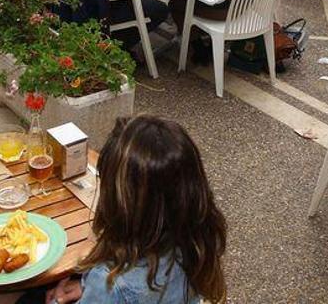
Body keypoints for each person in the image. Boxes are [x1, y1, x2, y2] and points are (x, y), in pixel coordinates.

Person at [23, 116, 227, 304]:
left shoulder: (109, 282)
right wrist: (86, 287)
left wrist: (59, 301)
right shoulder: (199, 240)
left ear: (120, 204)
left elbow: (114, 288)